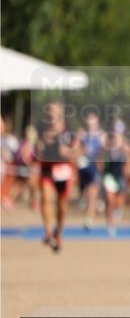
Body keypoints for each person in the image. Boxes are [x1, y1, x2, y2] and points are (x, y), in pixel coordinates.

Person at [36, 102, 79, 253]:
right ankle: (47, 231)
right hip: (47, 169)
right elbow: (35, 150)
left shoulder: (69, 132)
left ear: (60, 113)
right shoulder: (42, 130)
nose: (51, 114)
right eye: (49, 111)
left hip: (64, 171)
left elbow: (77, 152)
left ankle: (58, 234)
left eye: (54, 111)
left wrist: (67, 152)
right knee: (46, 199)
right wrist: (38, 150)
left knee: (62, 207)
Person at [77, 111, 105, 229]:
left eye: (93, 120)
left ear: (97, 122)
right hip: (83, 168)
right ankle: (89, 209)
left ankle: (89, 219)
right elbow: (78, 149)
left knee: (92, 193)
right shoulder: (83, 134)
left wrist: (100, 161)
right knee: (86, 194)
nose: (90, 123)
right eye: (89, 120)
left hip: (94, 167)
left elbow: (103, 151)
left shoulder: (102, 135)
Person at [101, 130, 130, 237]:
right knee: (110, 201)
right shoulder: (106, 150)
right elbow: (100, 162)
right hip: (109, 177)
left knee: (118, 203)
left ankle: (116, 215)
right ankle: (110, 225)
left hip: (120, 178)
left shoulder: (124, 150)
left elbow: (128, 165)